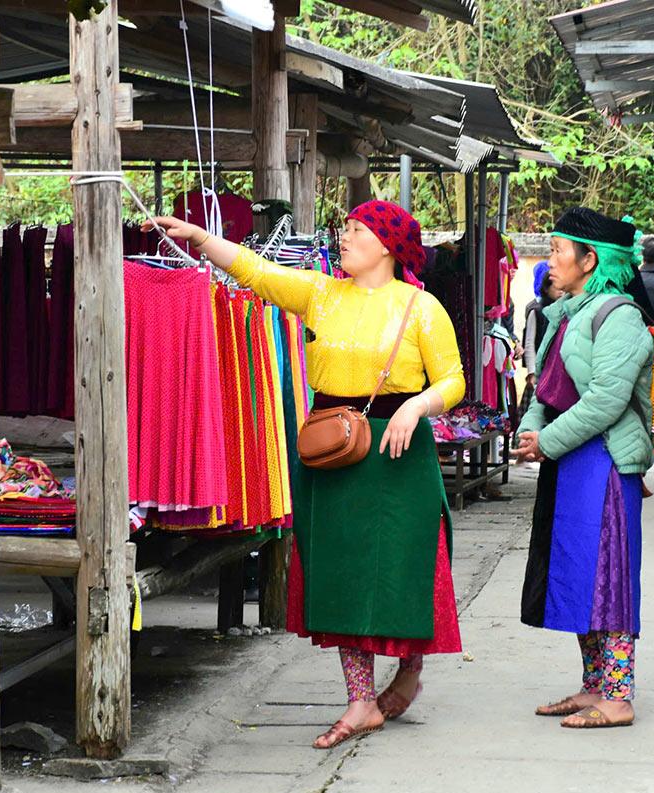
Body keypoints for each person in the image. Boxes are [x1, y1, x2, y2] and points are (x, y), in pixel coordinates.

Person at [148, 201, 466, 750]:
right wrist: (201, 237)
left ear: (387, 246)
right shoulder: (322, 292)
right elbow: (256, 271)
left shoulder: (421, 307)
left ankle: (409, 671)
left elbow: (455, 380)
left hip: (399, 453)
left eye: (357, 230)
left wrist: (416, 408)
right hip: (333, 451)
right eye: (345, 228)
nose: (344, 237)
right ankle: (360, 700)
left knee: (406, 568)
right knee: (341, 573)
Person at [514, 207, 654, 729]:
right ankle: (593, 685)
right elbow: (545, 387)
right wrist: (533, 431)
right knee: (577, 572)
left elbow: (605, 401)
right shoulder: (568, 311)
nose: (550, 260)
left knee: (609, 576)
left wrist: (545, 442)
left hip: (605, 462)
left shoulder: (620, 316)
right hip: (569, 457)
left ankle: (618, 697)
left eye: (557, 250)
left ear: (590, 259)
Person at [521, 261, 561, 417]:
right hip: (540, 371)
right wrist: (531, 372)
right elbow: (529, 343)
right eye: (555, 288)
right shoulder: (536, 311)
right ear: (546, 288)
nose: (560, 292)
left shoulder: (564, 310)